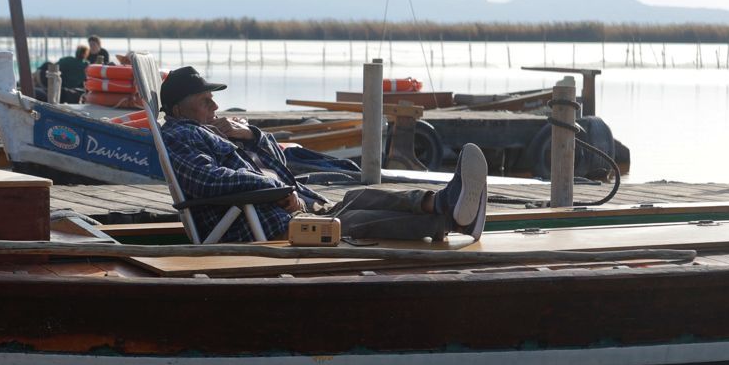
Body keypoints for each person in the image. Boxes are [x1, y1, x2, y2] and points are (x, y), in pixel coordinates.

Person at [157, 66, 487, 245]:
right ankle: (450, 218)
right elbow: (208, 179)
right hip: (261, 222)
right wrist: (276, 190)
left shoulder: (214, 130)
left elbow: (279, 162)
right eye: (205, 100)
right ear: (177, 109)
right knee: (350, 223)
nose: (215, 106)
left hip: (284, 205)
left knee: (359, 196)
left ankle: (443, 203)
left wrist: (253, 135)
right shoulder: (179, 136)